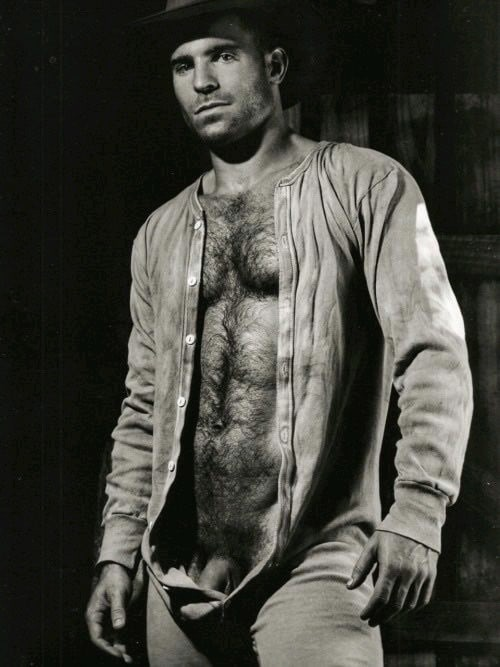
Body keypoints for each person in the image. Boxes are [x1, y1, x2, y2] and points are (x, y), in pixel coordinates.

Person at [86, 1, 473, 665]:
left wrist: (419, 510)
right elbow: (144, 406)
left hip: (316, 569)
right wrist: (117, 553)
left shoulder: (365, 185)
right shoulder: (159, 233)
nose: (202, 81)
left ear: (274, 65)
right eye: (182, 65)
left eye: (222, 55)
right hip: (177, 581)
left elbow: (434, 351)